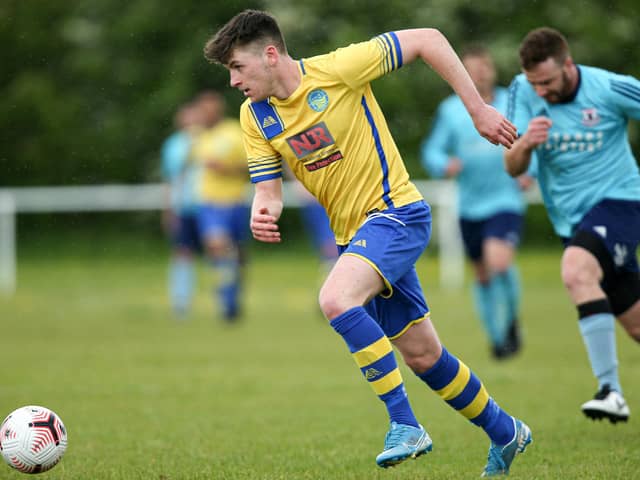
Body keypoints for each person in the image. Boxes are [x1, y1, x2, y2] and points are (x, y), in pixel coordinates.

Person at [204, 10, 531, 476]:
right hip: (354, 239)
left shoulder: (339, 69)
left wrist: (477, 108)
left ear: (271, 54)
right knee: (422, 356)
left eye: (237, 67)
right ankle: (506, 432)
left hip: (396, 213)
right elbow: (268, 190)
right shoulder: (255, 115)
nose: (234, 80)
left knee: (335, 300)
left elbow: (428, 38)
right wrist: (264, 211)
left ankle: (405, 424)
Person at [504, 27, 640, 423]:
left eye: (547, 82)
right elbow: (512, 166)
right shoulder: (521, 90)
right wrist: (525, 143)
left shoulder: (610, 88)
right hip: (572, 220)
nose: (541, 91)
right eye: (535, 84)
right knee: (634, 323)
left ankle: (610, 390)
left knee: (576, 271)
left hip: (622, 202)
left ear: (568, 65)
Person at [421, 45, 531, 360]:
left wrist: (529, 171)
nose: (479, 73)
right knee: (482, 273)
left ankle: (511, 322)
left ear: (492, 69)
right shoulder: (451, 110)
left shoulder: (514, 104)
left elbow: (531, 141)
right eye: (471, 68)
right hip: (469, 204)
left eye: (484, 66)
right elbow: (432, 150)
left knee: (499, 262)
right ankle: (497, 338)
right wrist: (444, 164)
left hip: (506, 198)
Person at [190, 90, 251, 322]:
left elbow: (251, 167)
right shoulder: (197, 137)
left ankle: (234, 298)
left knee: (237, 254)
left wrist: (225, 169)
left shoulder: (233, 132)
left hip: (235, 201)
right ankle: (225, 299)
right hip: (210, 204)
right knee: (217, 246)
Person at [160, 101, 203, 317]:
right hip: (184, 207)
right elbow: (169, 179)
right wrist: (168, 209)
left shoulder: (211, 140)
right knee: (182, 253)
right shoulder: (173, 145)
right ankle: (181, 302)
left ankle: (226, 302)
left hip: (210, 204)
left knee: (223, 250)